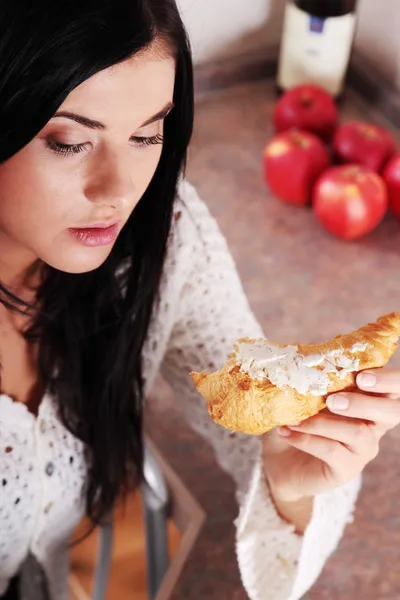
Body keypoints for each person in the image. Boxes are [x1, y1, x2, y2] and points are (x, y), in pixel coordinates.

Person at [0, 1, 399, 599]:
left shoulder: (162, 237)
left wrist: (289, 484)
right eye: (66, 142)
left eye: (146, 135)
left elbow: (251, 405)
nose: (117, 191)